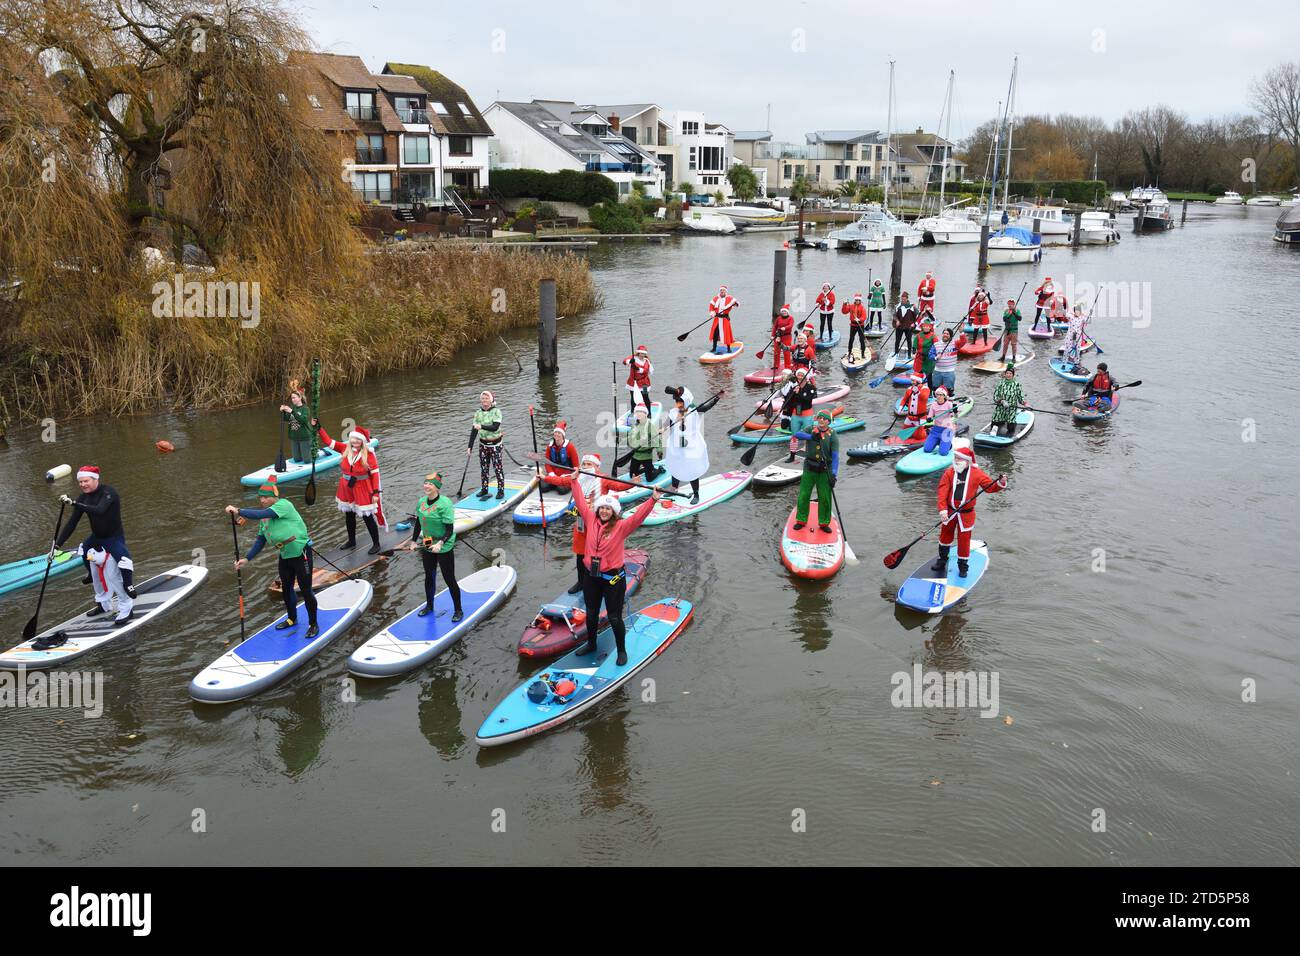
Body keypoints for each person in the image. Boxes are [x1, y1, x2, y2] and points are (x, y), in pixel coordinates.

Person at [571, 487, 662, 666]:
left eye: (608, 508)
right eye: (602, 508)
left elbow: (638, 517)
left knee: (614, 617)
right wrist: (574, 480)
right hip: (591, 577)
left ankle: (621, 650)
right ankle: (591, 644)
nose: (604, 511)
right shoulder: (590, 518)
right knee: (591, 614)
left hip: (613, 580)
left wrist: (652, 499)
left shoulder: (621, 527)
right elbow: (580, 501)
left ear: (614, 512)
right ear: (598, 509)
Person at [226, 475, 319, 637]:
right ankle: (292, 619)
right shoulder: (265, 518)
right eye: (261, 497)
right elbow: (261, 540)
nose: (262, 500)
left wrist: (239, 510)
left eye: (266, 497)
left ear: (275, 497)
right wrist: (247, 559)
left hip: (300, 553)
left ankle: (313, 623)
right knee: (286, 588)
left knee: (305, 590)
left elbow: (259, 513)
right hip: (285, 556)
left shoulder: (284, 505)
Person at [55, 465, 137, 612]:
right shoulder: (83, 498)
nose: (83, 485)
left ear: (95, 479)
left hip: (113, 537)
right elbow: (72, 524)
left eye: (86, 481)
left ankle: (128, 586)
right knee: (85, 551)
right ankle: (102, 603)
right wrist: (57, 546)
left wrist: (74, 503)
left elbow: (100, 510)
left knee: (123, 561)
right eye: (80, 482)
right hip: (96, 537)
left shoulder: (109, 492)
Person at [932, 446, 1007, 579]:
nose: (956, 460)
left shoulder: (977, 473)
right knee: (945, 537)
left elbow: (990, 487)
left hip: (966, 514)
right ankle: (942, 561)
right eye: (955, 458)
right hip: (949, 512)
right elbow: (942, 492)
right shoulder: (949, 472)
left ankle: (963, 567)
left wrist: (1001, 482)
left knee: (964, 541)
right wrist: (943, 510)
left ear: (967, 461)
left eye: (959, 458)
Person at [400, 470, 463, 622]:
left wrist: (440, 544)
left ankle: (458, 610)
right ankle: (429, 606)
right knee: (429, 576)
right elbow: (419, 524)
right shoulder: (421, 502)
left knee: (449, 578)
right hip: (428, 540)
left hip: (444, 543)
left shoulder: (445, 504)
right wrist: (414, 541)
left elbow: (449, 529)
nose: (426, 486)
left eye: (430, 484)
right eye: (426, 483)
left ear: (437, 487)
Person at [316, 421, 385, 553]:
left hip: (362, 487)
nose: (355, 441)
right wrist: (319, 428)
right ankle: (351, 541)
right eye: (353, 439)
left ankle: (376, 544)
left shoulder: (369, 455)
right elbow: (328, 441)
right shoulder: (344, 448)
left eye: (358, 440)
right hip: (346, 486)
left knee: (367, 516)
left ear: (363, 441)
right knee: (349, 515)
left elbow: (375, 475)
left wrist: (376, 493)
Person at [556, 452, 609, 594]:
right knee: (580, 554)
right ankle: (581, 582)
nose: (585, 467)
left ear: (596, 467)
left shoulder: (603, 480)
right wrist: (544, 478)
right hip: (580, 522)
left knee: (596, 555)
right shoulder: (578, 478)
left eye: (589, 464)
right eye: (584, 464)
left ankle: (597, 584)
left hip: (596, 523)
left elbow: (619, 485)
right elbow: (562, 482)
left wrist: (635, 482)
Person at [791, 409, 840, 533]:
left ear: (829, 421)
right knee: (804, 495)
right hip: (809, 468)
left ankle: (824, 523)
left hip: (825, 470)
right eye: (819, 418)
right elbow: (797, 434)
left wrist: (833, 474)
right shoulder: (811, 429)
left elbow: (835, 456)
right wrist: (811, 437)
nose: (821, 420)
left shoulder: (833, 435)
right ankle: (801, 520)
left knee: (824, 497)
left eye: (824, 418)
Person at [662, 386, 711, 504]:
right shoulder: (674, 412)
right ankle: (674, 488)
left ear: (686, 401)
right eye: (676, 401)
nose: (678, 404)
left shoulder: (695, 412)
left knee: (691, 468)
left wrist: (717, 398)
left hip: (691, 447)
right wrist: (662, 429)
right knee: (676, 466)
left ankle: (696, 494)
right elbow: (667, 423)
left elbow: (706, 407)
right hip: (676, 445)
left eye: (680, 402)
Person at [469, 390, 505, 501]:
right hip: (483, 445)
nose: (484, 400)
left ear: (491, 400)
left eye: (486, 398)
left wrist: (481, 426)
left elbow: (495, 427)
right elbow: (474, 430)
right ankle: (484, 489)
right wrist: (470, 446)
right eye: (483, 398)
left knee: (497, 468)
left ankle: (500, 490)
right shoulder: (478, 413)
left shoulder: (496, 411)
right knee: (484, 468)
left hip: (495, 445)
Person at [780, 366, 819, 463]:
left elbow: (807, 400)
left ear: (806, 377)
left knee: (808, 436)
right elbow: (788, 400)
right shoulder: (794, 388)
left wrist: (799, 393)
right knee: (794, 436)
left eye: (802, 375)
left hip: (807, 415)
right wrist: (783, 409)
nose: (800, 377)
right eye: (798, 375)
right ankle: (792, 456)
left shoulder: (811, 388)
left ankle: (809, 456)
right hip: (796, 415)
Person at [625, 404, 664, 483]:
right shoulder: (634, 425)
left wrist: (659, 452)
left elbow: (657, 440)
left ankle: (659, 470)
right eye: (637, 412)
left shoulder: (650, 426)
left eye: (641, 412)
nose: (639, 413)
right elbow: (630, 437)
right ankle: (650, 468)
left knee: (649, 479)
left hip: (646, 456)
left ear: (645, 414)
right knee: (632, 476)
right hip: (635, 455)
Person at [279, 380, 313, 465]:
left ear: (300, 398)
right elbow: (286, 419)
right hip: (294, 437)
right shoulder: (292, 407)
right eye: (291, 398)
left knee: (307, 461)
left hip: (305, 437)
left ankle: (314, 454)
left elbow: (303, 420)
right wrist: (283, 412)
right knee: (297, 460)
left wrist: (291, 411)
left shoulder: (305, 409)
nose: (292, 399)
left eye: (294, 397)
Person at [540, 421, 579, 494]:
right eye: (556, 432)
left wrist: (572, 475)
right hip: (553, 474)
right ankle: (554, 483)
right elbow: (547, 462)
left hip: (566, 475)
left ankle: (559, 485)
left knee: (561, 490)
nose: (557, 434)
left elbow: (576, 466)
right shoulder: (550, 446)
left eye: (559, 433)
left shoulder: (570, 447)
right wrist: (551, 473)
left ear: (563, 435)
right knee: (543, 487)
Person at [991, 363, 1025, 437]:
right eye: (1007, 373)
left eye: (1010, 373)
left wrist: (1025, 404)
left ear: (1013, 375)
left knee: (1010, 427)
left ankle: (1011, 428)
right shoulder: (1001, 383)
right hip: (1001, 407)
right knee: (994, 423)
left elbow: (1020, 396)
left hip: (1011, 408)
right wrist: (1001, 401)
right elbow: (995, 396)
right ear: (1005, 374)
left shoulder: (1017, 384)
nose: (1008, 375)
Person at [922, 385, 956, 457]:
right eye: (937, 394)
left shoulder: (949, 405)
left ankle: (948, 445)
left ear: (944, 396)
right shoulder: (933, 405)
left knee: (943, 453)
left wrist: (955, 411)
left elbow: (954, 416)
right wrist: (928, 419)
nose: (939, 396)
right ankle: (938, 441)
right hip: (936, 430)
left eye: (941, 395)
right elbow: (930, 416)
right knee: (927, 449)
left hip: (947, 430)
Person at [931, 326, 965, 395]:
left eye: (947, 334)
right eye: (944, 333)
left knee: (949, 391)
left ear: (951, 336)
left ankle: (949, 404)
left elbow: (963, 341)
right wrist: (935, 357)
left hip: (949, 372)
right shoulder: (936, 344)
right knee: (935, 390)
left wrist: (961, 332)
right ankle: (936, 404)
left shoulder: (955, 344)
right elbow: (930, 355)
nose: (945, 335)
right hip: (937, 372)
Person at [707, 284, 739, 353]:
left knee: (727, 334)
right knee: (715, 334)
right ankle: (714, 348)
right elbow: (711, 308)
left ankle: (728, 348)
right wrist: (712, 314)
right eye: (721, 290)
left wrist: (735, 304)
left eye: (723, 291)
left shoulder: (729, 298)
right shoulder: (716, 298)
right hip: (717, 319)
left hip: (725, 319)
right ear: (719, 291)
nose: (722, 292)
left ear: (726, 292)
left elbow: (736, 304)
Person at [621, 345, 653, 412]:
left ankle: (649, 412)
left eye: (644, 354)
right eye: (641, 353)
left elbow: (645, 371)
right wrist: (630, 361)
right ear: (638, 353)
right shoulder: (633, 358)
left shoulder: (646, 361)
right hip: (633, 382)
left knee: (645, 397)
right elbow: (624, 361)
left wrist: (637, 367)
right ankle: (632, 411)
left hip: (644, 383)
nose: (642, 355)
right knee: (633, 398)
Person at [900, 372, 930, 443]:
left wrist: (918, 392)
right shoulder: (909, 389)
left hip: (920, 417)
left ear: (918, 381)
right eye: (912, 380)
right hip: (910, 416)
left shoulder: (925, 388)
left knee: (919, 437)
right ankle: (914, 431)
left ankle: (926, 431)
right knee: (905, 434)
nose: (912, 382)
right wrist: (901, 407)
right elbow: (904, 399)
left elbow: (924, 397)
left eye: (913, 380)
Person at [913, 314, 939, 388]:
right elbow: (914, 345)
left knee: (929, 377)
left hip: (929, 359)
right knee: (918, 376)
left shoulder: (933, 336)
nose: (926, 328)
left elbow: (937, 346)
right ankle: (916, 390)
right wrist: (913, 352)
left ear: (930, 327)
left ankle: (930, 392)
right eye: (924, 326)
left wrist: (937, 355)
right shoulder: (918, 335)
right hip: (919, 358)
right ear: (922, 327)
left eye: (927, 326)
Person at [892, 291, 918, 360]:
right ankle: (896, 352)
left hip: (908, 327)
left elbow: (917, 315)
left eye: (904, 299)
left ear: (907, 299)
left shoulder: (912, 306)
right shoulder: (898, 306)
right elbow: (894, 315)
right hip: (900, 326)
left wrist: (914, 323)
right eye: (902, 299)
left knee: (909, 341)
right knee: (897, 340)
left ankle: (909, 354)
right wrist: (897, 320)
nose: (903, 300)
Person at [1063, 305, 1089, 372]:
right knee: (1067, 348)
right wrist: (1070, 308)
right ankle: (1064, 363)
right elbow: (1065, 313)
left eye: (1078, 312)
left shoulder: (1082, 318)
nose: (1077, 313)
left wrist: (1089, 314)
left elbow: (1087, 320)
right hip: (1070, 335)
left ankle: (1076, 363)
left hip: (1078, 336)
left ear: (1080, 312)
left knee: (1077, 349)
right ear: (1074, 312)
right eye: (1076, 311)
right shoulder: (1071, 316)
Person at [842, 292, 868, 357]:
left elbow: (864, 317)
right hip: (853, 325)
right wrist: (844, 304)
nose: (857, 301)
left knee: (861, 339)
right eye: (856, 300)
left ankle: (863, 353)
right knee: (851, 338)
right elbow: (844, 312)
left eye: (859, 300)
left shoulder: (862, 308)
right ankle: (849, 351)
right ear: (855, 300)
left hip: (860, 325)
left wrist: (859, 319)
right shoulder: (851, 306)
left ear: (860, 301)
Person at [771, 305, 795, 373]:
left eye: (785, 311)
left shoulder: (791, 318)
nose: (784, 312)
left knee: (786, 351)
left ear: (787, 312)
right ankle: (776, 365)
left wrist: (785, 328)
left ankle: (787, 366)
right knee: (776, 351)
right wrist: (772, 335)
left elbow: (791, 325)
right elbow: (775, 327)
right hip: (778, 336)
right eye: (783, 311)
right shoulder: (778, 318)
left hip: (787, 337)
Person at [999, 298, 1021, 362]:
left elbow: (1019, 318)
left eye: (1011, 304)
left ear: (1014, 304)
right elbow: (1004, 319)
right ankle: (1003, 356)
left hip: (1014, 331)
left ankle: (1014, 357)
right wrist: (1009, 314)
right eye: (1009, 304)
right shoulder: (1006, 311)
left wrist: (1014, 313)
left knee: (1013, 344)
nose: (1010, 305)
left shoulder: (1017, 311)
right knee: (1005, 344)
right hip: (1007, 331)